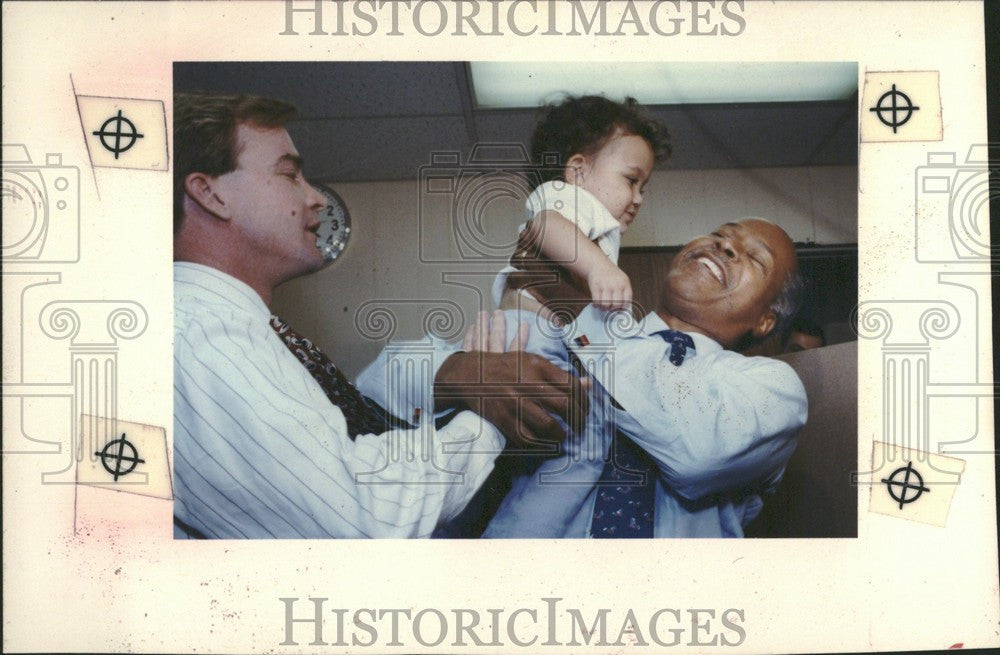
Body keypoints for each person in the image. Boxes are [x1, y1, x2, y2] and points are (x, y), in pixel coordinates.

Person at [171, 92, 585, 538]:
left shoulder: (234, 331)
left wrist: (460, 378)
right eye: (289, 174)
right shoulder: (205, 335)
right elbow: (368, 517)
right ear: (210, 193)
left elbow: (362, 411)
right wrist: (486, 415)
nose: (316, 199)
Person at [361, 219, 808, 538]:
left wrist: (587, 321)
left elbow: (697, 449)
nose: (725, 246)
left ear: (767, 321)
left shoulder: (772, 389)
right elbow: (378, 378)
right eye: (720, 235)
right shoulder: (567, 335)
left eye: (753, 258)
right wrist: (459, 374)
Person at [492, 95, 671, 322]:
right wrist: (599, 268)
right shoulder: (569, 197)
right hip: (531, 326)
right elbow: (545, 224)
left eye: (642, 189)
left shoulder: (595, 225)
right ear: (578, 172)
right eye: (631, 180)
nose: (638, 199)